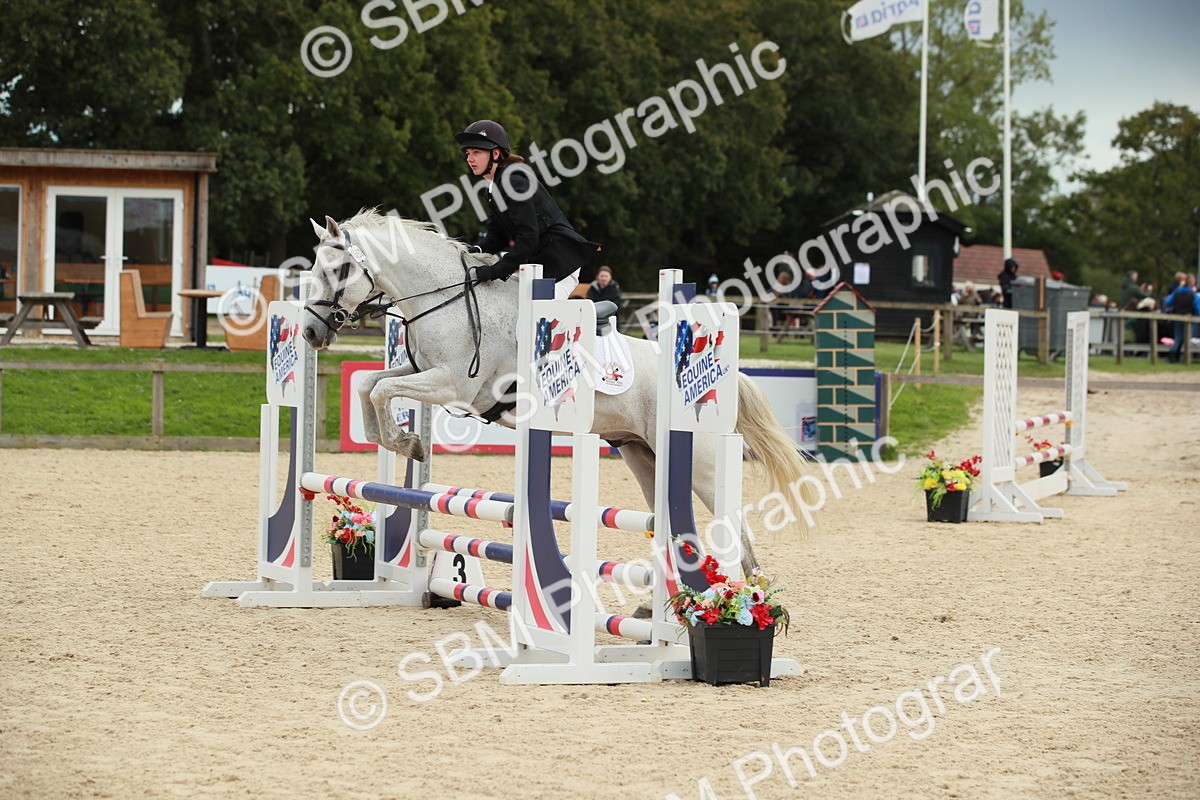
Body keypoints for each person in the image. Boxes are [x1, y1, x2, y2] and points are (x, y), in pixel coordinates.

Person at [455, 120, 601, 299]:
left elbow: (528, 237)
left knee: (534, 322)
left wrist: (495, 271)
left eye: (476, 152)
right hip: (539, 265)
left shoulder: (514, 182)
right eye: (468, 153)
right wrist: (473, 250)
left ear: (496, 153)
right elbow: (497, 235)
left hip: (559, 264)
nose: (469, 159)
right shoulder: (494, 188)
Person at [1165, 275, 1198, 363]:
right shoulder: (1193, 294)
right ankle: (1184, 358)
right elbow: (1197, 307)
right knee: (1187, 338)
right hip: (1188, 317)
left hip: (1177, 316)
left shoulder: (1177, 292)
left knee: (1178, 338)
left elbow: (1168, 302)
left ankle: (1173, 356)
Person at [586, 265, 623, 330]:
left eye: (606, 276)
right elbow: (589, 303)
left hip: (611, 321)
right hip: (595, 320)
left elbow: (618, 306)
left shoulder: (615, 289)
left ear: (610, 277)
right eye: (602, 276)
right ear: (598, 277)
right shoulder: (592, 289)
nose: (604, 278)